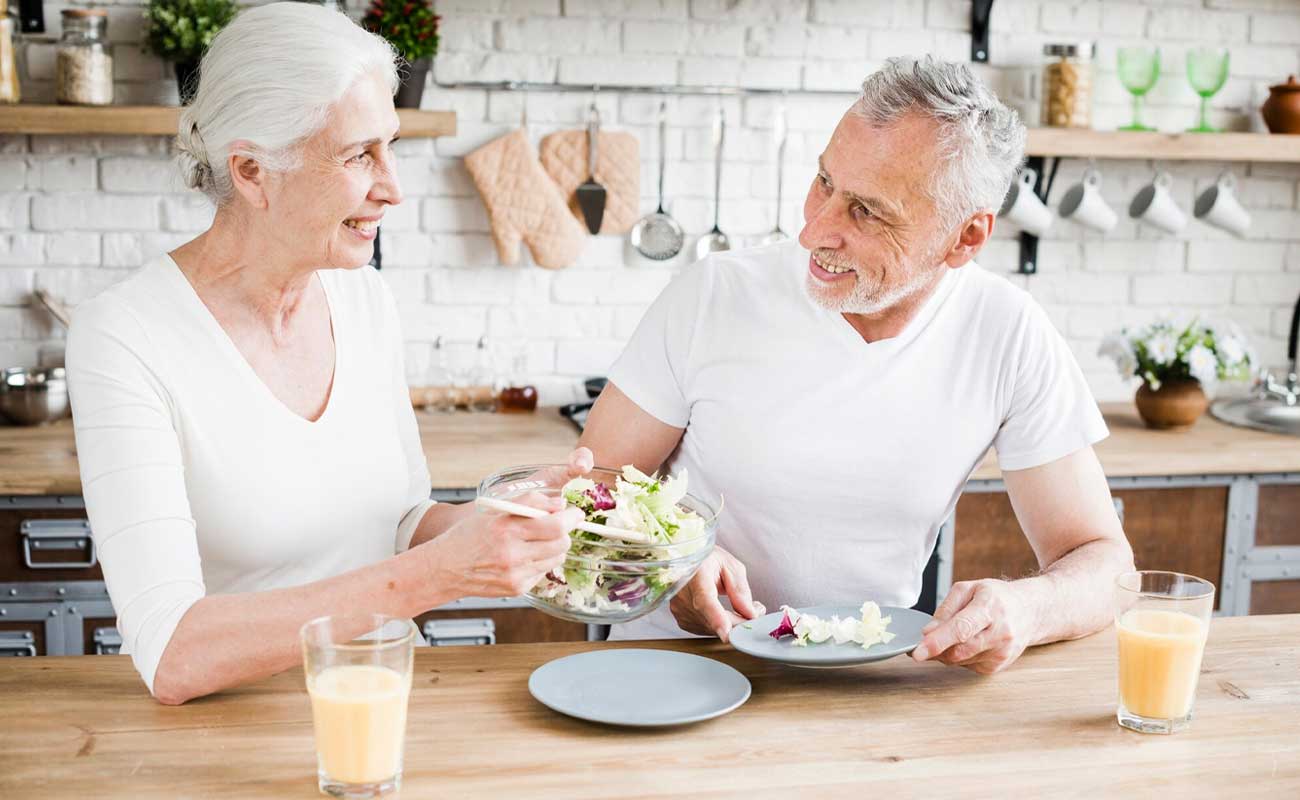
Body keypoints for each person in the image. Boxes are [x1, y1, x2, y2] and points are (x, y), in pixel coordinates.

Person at [65, 2, 590, 704]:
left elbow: (402, 522)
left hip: (381, 707)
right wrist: (438, 575)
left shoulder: (364, 301)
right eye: (357, 155)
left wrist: (509, 517)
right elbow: (173, 653)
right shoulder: (125, 336)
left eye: (391, 145)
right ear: (252, 172)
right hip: (231, 742)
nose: (393, 187)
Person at [579, 57, 1135, 674]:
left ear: (966, 237)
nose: (814, 231)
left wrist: (1030, 608)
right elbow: (583, 492)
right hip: (676, 669)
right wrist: (670, 561)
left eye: (866, 211)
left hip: (871, 689)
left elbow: (1106, 565)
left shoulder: (1007, 332)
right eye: (823, 182)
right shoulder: (713, 295)